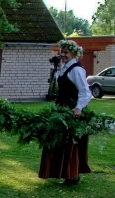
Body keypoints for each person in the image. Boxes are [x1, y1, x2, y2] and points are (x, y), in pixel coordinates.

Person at [38, 40, 93, 185]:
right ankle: (64, 172)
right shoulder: (65, 67)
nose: (62, 55)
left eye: (65, 53)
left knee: (70, 142)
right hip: (61, 108)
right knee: (59, 141)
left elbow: (85, 92)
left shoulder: (76, 69)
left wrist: (79, 107)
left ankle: (72, 174)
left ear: (74, 54)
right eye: (61, 52)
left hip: (70, 109)